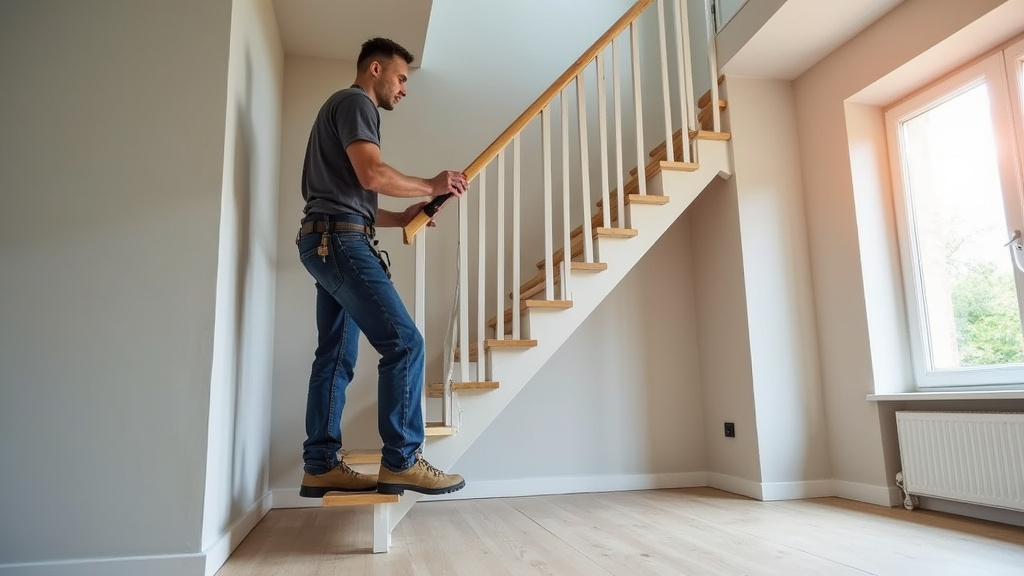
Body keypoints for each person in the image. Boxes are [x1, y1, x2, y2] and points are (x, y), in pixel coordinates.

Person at [295, 37, 468, 498]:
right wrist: (429, 183)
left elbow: (356, 198)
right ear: (375, 69)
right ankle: (402, 460)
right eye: (401, 77)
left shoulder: (339, 109)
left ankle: (320, 464)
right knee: (405, 344)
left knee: (335, 358)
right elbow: (372, 175)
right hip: (340, 241)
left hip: (326, 237)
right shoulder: (356, 102)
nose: (404, 88)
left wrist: (405, 216)